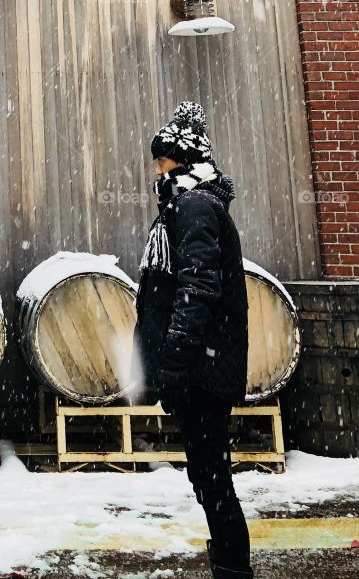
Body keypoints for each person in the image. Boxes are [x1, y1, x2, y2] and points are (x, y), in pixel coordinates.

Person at [135, 100, 252, 579]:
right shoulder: (191, 204)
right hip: (202, 365)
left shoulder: (196, 207)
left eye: (161, 162)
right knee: (207, 475)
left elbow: (197, 289)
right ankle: (227, 561)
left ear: (178, 162)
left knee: (213, 478)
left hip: (203, 368)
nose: (156, 171)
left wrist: (177, 366)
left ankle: (232, 568)